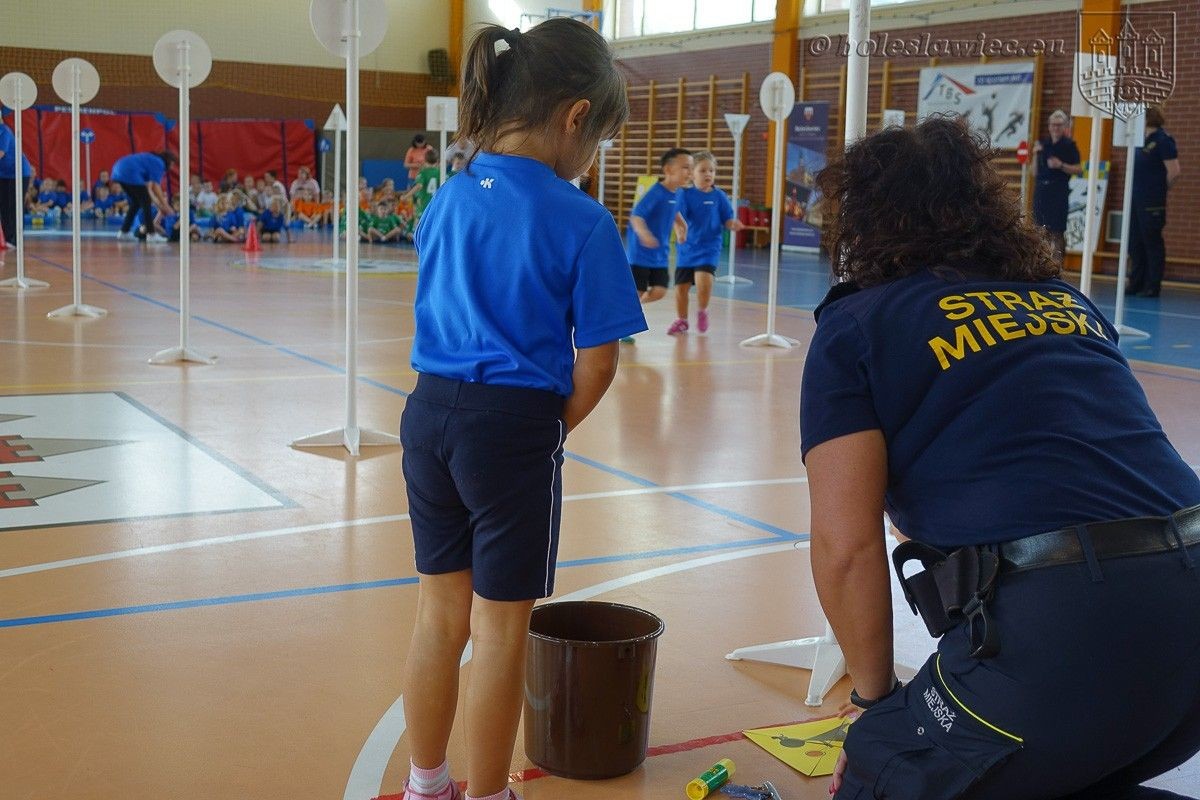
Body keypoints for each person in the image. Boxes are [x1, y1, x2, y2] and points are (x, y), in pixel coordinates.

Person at [800, 116, 1200, 800]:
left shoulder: (859, 325)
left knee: (879, 768)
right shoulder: (1065, 303)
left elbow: (846, 547)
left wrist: (876, 706)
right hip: (1186, 631)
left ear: (859, 219)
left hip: (1070, 626)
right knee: (1053, 764)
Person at [398, 18, 644, 800]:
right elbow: (598, 362)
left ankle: (424, 782)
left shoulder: (449, 197)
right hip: (509, 426)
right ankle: (487, 792)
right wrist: (544, 433)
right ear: (576, 118)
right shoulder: (580, 218)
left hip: (426, 414)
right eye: (599, 136)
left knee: (440, 616)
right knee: (500, 630)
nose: (594, 154)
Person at [623, 148, 691, 340]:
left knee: (660, 291)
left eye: (691, 168)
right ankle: (626, 325)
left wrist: (681, 226)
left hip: (660, 254)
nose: (689, 172)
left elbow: (674, 211)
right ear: (669, 170)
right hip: (641, 254)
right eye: (685, 167)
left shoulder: (678, 193)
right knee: (639, 290)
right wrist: (644, 233)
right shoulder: (656, 192)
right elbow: (637, 216)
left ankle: (628, 308)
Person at [673, 151, 742, 334]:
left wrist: (732, 224)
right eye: (703, 170)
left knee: (703, 281)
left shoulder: (719, 196)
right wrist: (680, 232)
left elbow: (727, 218)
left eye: (711, 170)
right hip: (687, 248)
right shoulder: (684, 194)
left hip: (709, 247)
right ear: (692, 173)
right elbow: (676, 217)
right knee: (681, 289)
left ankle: (702, 311)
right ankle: (682, 320)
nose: (708, 174)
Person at [1126, 106, 1181, 298]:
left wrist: (1158, 190)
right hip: (1135, 199)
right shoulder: (1141, 141)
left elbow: (1174, 171)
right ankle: (1136, 282)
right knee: (1134, 241)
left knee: (1152, 242)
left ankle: (1152, 285)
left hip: (1152, 201)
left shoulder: (1163, 141)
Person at [1031, 109, 1081, 265]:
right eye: (1053, 125)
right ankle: (1040, 265)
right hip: (1042, 189)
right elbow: (1034, 172)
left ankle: (1058, 266)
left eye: (1059, 125)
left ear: (1064, 126)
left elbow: (1079, 169)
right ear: (1049, 126)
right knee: (1040, 229)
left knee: (1057, 230)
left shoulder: (1069, 145)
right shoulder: (1043, 144)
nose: (1055, 128)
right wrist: (1034, 154)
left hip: (1059, 189)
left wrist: (1061, 165)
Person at [111, 150, 176, 242]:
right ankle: (151, 234)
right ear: (169, 161)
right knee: (146, 202)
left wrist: (160, 205)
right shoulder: (159, 163)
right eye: (172, 164)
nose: (172, 167)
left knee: (136, 203)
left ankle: (124, 231)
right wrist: (165, 205)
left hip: (118, 170)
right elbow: (156, 187)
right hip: (129, 172)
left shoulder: (150, 160)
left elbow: (148, 188)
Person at [0, 119, 33, 248]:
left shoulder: (4, 131)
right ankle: (6, 238)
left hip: (18, 173)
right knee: (4, 206)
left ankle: (14, 240)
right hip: (3, 174)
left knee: (14, 205)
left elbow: (1, 153)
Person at [402, 149, 441, 225]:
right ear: (437, 161)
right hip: (436, 204)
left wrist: (406, 196)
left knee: (418, 227)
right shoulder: (440, 172)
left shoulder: (423, 172)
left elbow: (419, 186)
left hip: (424, 204)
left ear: (425, 160)